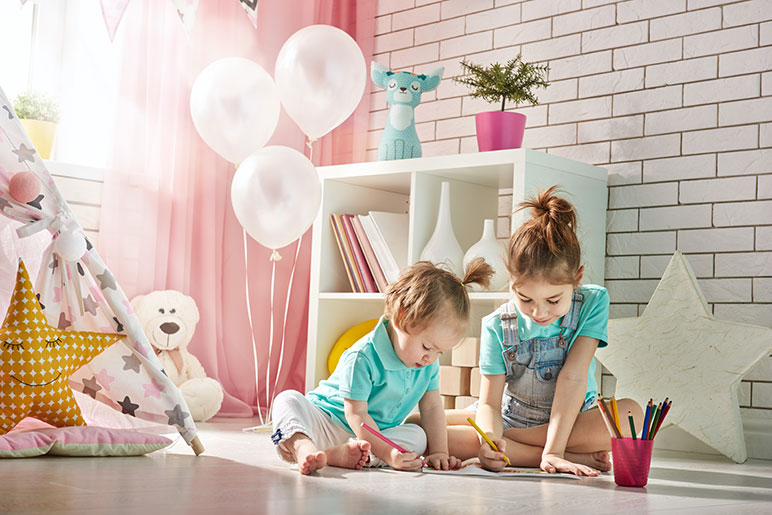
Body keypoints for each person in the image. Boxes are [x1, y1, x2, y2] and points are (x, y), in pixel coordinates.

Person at [441, 186, 642, 476]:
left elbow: (573, 377)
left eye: (553, 300)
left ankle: (531, 449)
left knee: (632, 415)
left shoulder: (593, 302)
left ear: (577, 279)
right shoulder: (496, 325)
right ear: (511, 282)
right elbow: (489, 403)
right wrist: (491, 438)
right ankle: (564, 454)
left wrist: (554, 450)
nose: (539, 312)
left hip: (574, 418)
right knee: (429, 431)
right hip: (511, 418)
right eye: (525, 299)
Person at [271, 259, 493, 475]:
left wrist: (439, 451)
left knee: (418, 436)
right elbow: (356, 414)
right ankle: (304, 447)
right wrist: (388, 453)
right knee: (287, 401)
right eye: (427, 346)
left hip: (375, 436)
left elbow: (433, 408)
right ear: (401, 317)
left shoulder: (427, 363)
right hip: (326, 423)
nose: (431, 358)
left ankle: (339, 455)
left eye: (439, 352)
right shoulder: (363, 356)